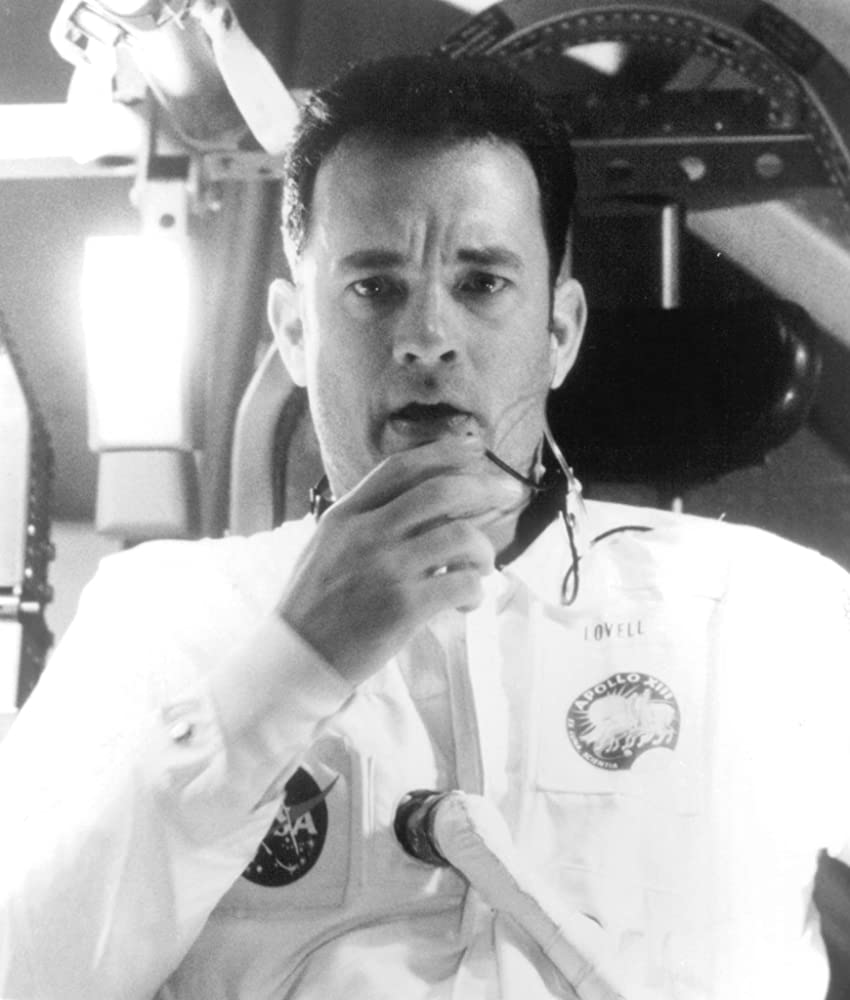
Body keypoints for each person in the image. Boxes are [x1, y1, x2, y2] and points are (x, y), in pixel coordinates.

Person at [1, 52, 850, 1000]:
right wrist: (293, 663)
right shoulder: (162, 619)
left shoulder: (771, 611)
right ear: (293, 333)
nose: (426, 339)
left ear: (560, 332)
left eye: (481, 283)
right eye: (374, 288)